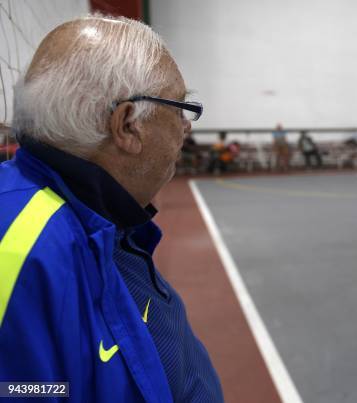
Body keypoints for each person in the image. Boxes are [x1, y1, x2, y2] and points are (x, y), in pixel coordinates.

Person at [0, 16, 223, 402]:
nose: (186, 127)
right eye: (180, 108)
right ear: (127, 126)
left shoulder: (100, 219)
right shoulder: (25, 255)